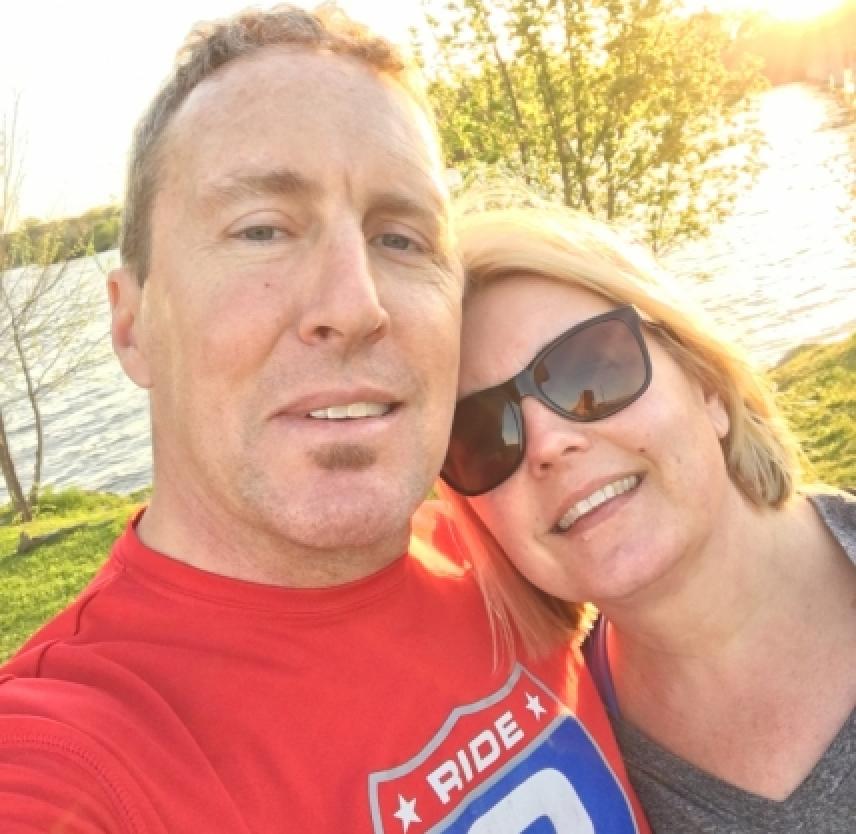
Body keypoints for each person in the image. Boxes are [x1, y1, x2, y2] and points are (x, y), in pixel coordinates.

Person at [0, 8, 651, 832]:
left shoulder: (513, 556)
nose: (355, 305)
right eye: (262, 230)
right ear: (133, 326)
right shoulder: (77, 753)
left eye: (401, 239)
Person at [438, 196, 856, 833]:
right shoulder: (558, 773)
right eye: (482, 433)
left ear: (706, 384)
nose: (549, 443)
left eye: (590, 370)